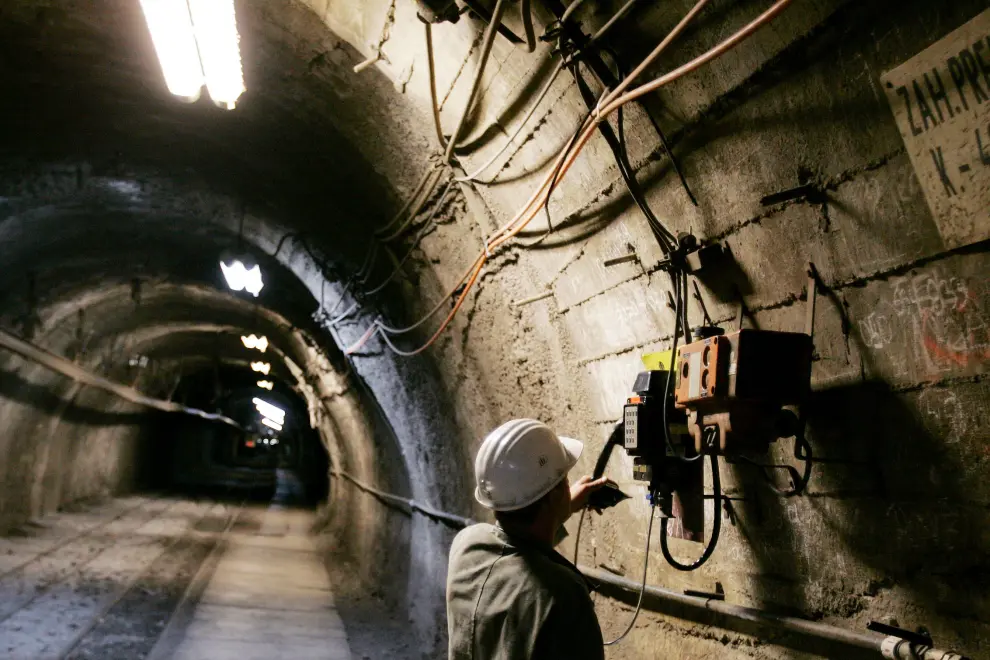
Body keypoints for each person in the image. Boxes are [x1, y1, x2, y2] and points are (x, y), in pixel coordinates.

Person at [446, 418, 608, 660]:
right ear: (553, 497)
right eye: (563, 480)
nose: (567, 484)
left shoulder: (466, 545)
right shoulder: (563, 595)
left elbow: (517, 558)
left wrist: (561, 507)